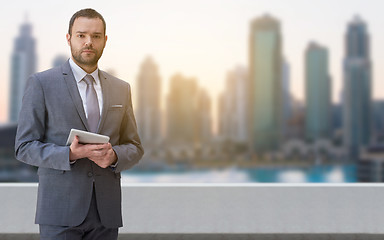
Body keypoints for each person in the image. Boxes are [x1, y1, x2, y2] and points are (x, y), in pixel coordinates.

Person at [15, 8, 144, 240]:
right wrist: (70, 154)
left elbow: (134, 146)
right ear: (69, 38)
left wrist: (114, 156)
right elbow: (23, 147)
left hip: (106, 214)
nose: (88, 42)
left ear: (105, 41)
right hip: (59, 212)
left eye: (95, 36)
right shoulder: (42, 83)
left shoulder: (121, 88)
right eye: (81, 35)